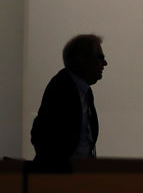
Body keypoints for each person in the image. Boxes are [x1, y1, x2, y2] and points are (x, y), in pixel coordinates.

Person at [31, 34, 108, 172]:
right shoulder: (61, 88)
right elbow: (41, 135)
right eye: (100, 57)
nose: (105, 63)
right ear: (83, 59)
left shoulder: (83, 91)